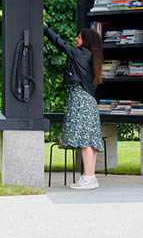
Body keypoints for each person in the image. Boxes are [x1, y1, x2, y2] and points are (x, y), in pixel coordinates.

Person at [43, 23, 105, 189]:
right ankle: (90, 177)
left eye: (79, 37)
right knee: (91, 141)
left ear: (86, 41)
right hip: (89, 100)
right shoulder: (92, 56)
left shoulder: (80, 54)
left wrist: (45, 29)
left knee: (85, 141)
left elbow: (60, 43)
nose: (75, 39)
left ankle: (88, 178)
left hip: (80, 99)